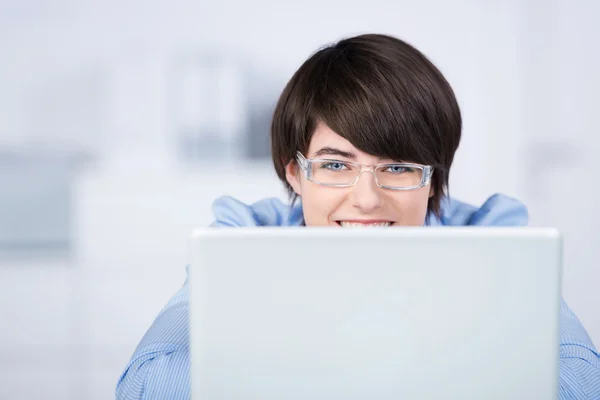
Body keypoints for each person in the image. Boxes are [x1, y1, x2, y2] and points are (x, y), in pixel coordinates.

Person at [116, 34, 600, 399]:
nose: (366, 199)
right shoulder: (244, 236)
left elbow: (578, 378)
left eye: (397, 166)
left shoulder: (493, 236)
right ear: (294, 172)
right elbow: (151, 381)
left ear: (433, 176)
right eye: (334, 165)